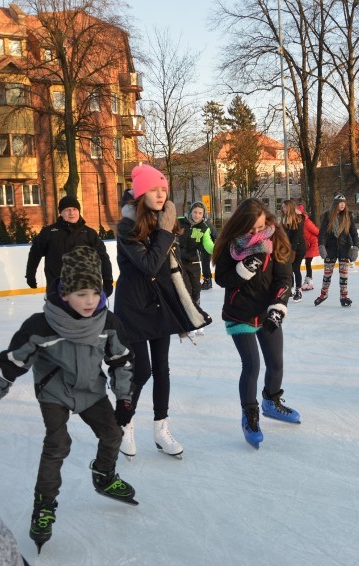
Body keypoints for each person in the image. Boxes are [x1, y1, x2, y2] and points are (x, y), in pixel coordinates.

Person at [0, 246, 138, 552]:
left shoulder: (108, 323)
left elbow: (121, 361)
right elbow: (11, 364)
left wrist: (124, 399)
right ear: (65, 292)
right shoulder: (41, 325)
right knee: (58, 444)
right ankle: (44, 506)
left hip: (90, 390)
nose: (89, 301)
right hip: (54, 392)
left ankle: (104, 475)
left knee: (112, 434)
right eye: (81, 293)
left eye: (94, 293)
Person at [114, 165, 211, 460]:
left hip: (159, 304)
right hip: (133, 306)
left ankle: (161, 429)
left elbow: (172, 267)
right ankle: (125, 425)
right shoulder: (126, 227)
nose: (160, 194)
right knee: (141, 369)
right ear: (141, 192)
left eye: (164, 189)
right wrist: (166, 232)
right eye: (154, 189)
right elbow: (149, 265)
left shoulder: (165, 223)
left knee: (162, 369)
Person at [213, 198, 298, 449]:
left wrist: (278, 308)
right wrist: (243, 269)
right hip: (240, 313)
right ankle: (250, 416)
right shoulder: (231, 245)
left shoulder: (277, 238)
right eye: (251, 230)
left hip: (266, 310)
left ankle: (271, 402)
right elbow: (222, 279)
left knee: (276, 363)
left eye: (260, 227)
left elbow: (284, 278)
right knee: (252, 365)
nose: (256, 233)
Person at [25, 195, 114, 296]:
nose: (72, 213)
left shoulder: (89, 234)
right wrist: (30, 275)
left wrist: (107, 280)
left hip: (84, 290)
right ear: (61, 213)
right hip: (57, 290)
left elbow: (103, 257)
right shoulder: (49, 232)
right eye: (67, 210)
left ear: (79, 211)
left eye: (75, 209)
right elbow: (34, 254)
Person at [315, 194, 359, 307]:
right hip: (331, 249)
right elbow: (322, 234)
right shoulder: (327, 216)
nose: (342, 204)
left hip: (344, 249)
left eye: (344, 202)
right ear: (335, 204)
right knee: (327, 274)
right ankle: (323, 294)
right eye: (340, 202)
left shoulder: (348, 216)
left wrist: (356, 247)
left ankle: (344, 296)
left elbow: (354, 234)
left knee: (344, 275)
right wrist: (321, 246)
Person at [178, 201, 215, 333]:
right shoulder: (180, 221)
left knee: (196, 290)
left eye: (200, 213)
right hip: (179, 262)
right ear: (190, 212)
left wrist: (218, 250)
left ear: (203, 214)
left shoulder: (204, 228)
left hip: (193, 262)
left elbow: (208, 244)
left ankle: (197, 315)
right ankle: (190, 319)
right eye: (195, 212)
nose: (197, 215)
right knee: (186, 290)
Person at [281, 199, 307, 302]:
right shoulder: (284, 219)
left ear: (289, 207)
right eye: (282, 207)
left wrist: (293, 250)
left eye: (284, 207)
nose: (282, 209)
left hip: (299, 248)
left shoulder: (298, 218)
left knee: (296, 268)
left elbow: (297, 236)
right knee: (288, 269)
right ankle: (290, 289)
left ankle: (298, 290)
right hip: (289, 248)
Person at [299, 204, 319, 291]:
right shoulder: (299, 223)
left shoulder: (307, 223)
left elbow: (317, 232)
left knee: (308, 262)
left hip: (312, 244)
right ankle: (308, 280)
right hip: (306, 245)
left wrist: (311, 242)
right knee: (307, 263)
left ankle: (309, 281)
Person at [199, 213, 219, 290]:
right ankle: (207, 280)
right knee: (204, 264)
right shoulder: (200, 224)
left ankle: (207, 281)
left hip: (208, 247)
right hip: (202, 247)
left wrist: (216, 245)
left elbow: (216, 235)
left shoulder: (207, 224)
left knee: (205, 264)